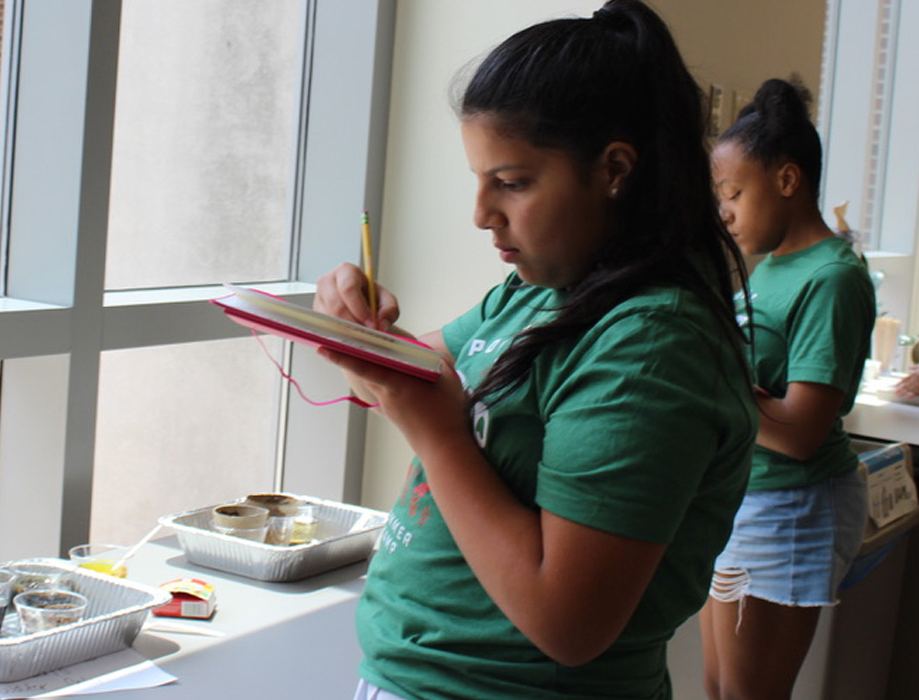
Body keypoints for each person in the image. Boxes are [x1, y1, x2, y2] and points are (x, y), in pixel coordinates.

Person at [311, 2, 757, 698]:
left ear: (614, 169)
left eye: (512, 183)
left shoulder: (651, 344)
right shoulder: (537, 289)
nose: (481, 215)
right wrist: (354, 329)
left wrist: (437, 432)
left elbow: (569, 625)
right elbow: (408, 378)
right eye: (478, 180)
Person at [698, 77, 875, 700]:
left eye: (733, 194)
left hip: (790, 505)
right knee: (720, 688)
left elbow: (800, 432)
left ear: (788, 180)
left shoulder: (831, 278)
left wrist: (712, 377)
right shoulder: (771, 268)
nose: (724, 212)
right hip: (744, 497)